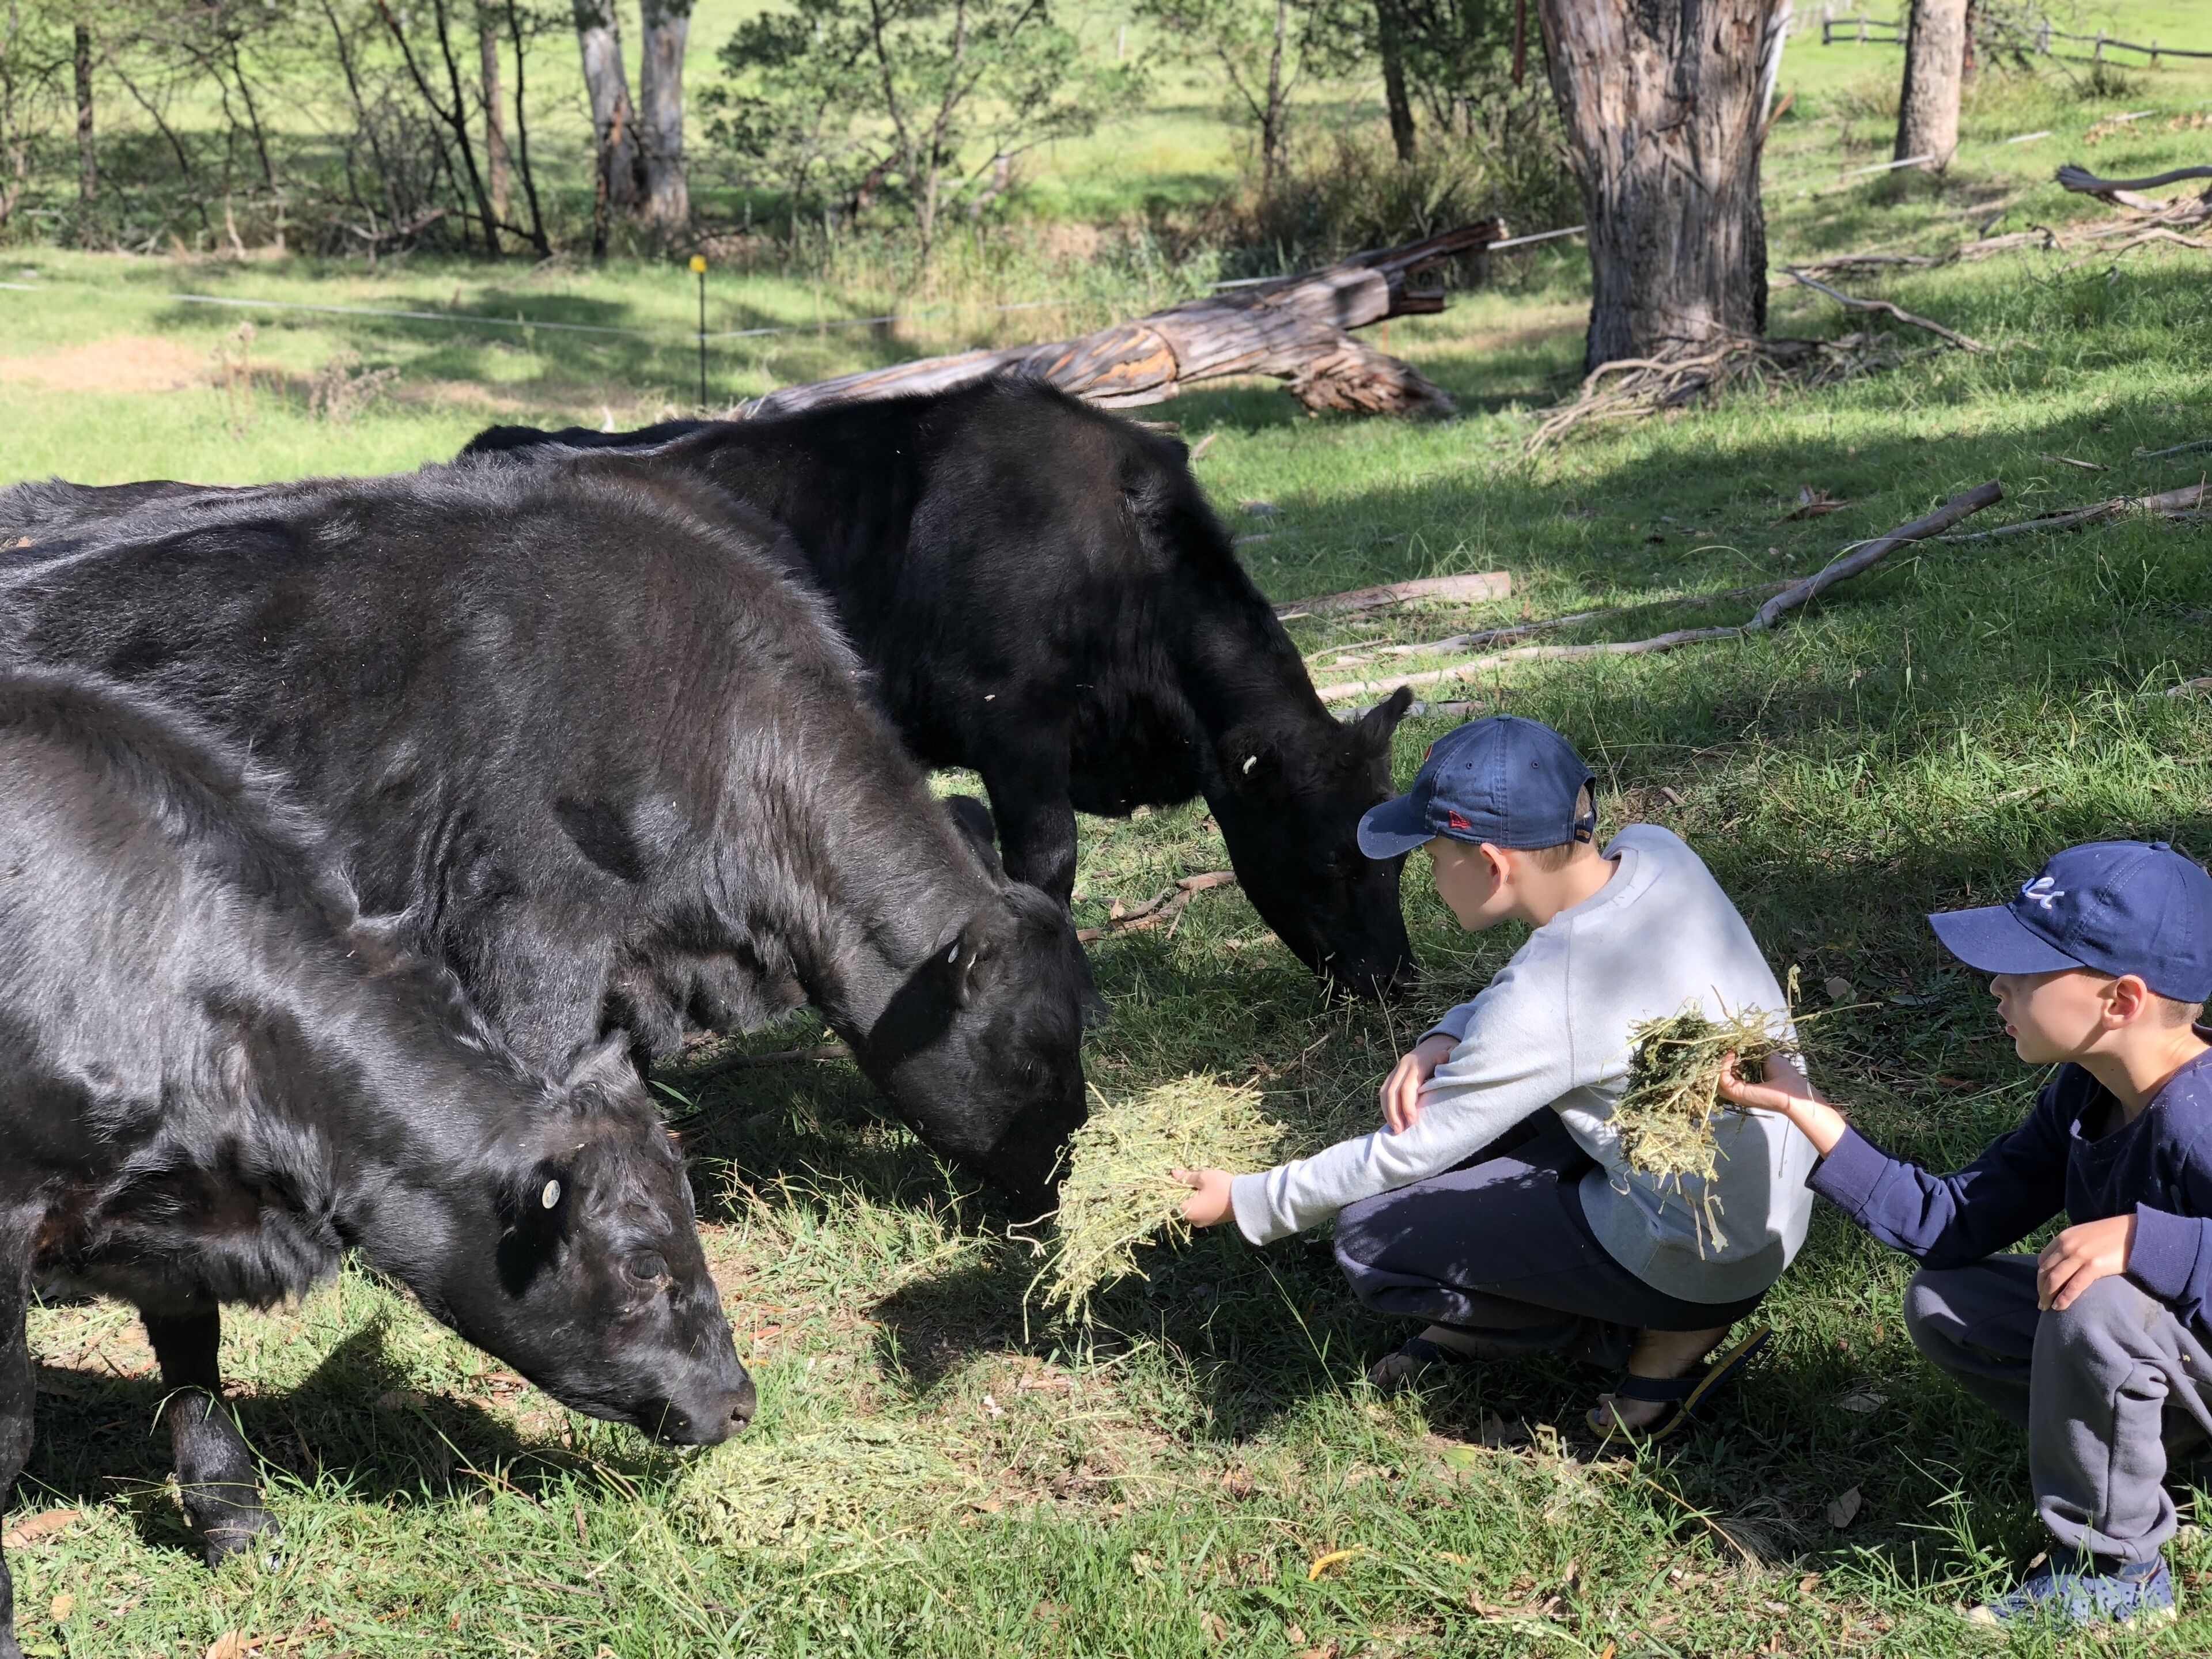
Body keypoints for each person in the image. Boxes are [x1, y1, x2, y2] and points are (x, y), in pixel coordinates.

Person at [1176, 714, 1816, 1438]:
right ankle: (1593, 1295)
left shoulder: (1549, 999)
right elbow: (1553, 1007)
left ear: (1490, 864)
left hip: (1701, 1252)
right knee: (1489, 1114)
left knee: (1370, 1239)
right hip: (1773, 1205)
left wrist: (1249, 1199)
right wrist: (1452, 1031)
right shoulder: (1654, 852)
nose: (1426, 874)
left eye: (1431, 854)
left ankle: (1658, 1340)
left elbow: (1410, 1151)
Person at [1719, 839, 2212, 1629]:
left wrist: (2151, 1242)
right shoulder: (2082, 1096)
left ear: (2120, 999)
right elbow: (1955, 1222)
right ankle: (2144, 1459)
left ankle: (2120, 1570)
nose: (1997, 987)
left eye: (2025, 969)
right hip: (2189, 1356)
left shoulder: (2200, 1117)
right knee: (1951, 1300)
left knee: (2095, 1305)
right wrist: (1812, 1117)